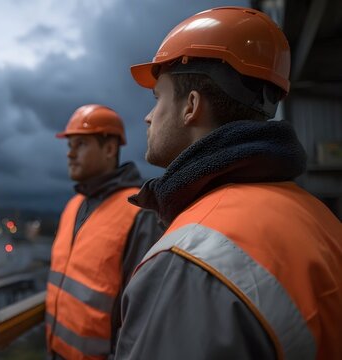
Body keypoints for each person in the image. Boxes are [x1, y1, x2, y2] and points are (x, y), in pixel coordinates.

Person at [115, 6, 342, 360]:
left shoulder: (188, 257)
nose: (147, 117)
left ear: (191, 106)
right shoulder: (319, 216)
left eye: (157, 98)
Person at [45, 104, 164, 360]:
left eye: (81, 145)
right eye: (69, 146)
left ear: (110, 149)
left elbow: (142, 317)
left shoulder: (139, 212)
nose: (70, 154)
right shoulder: (73, 206)